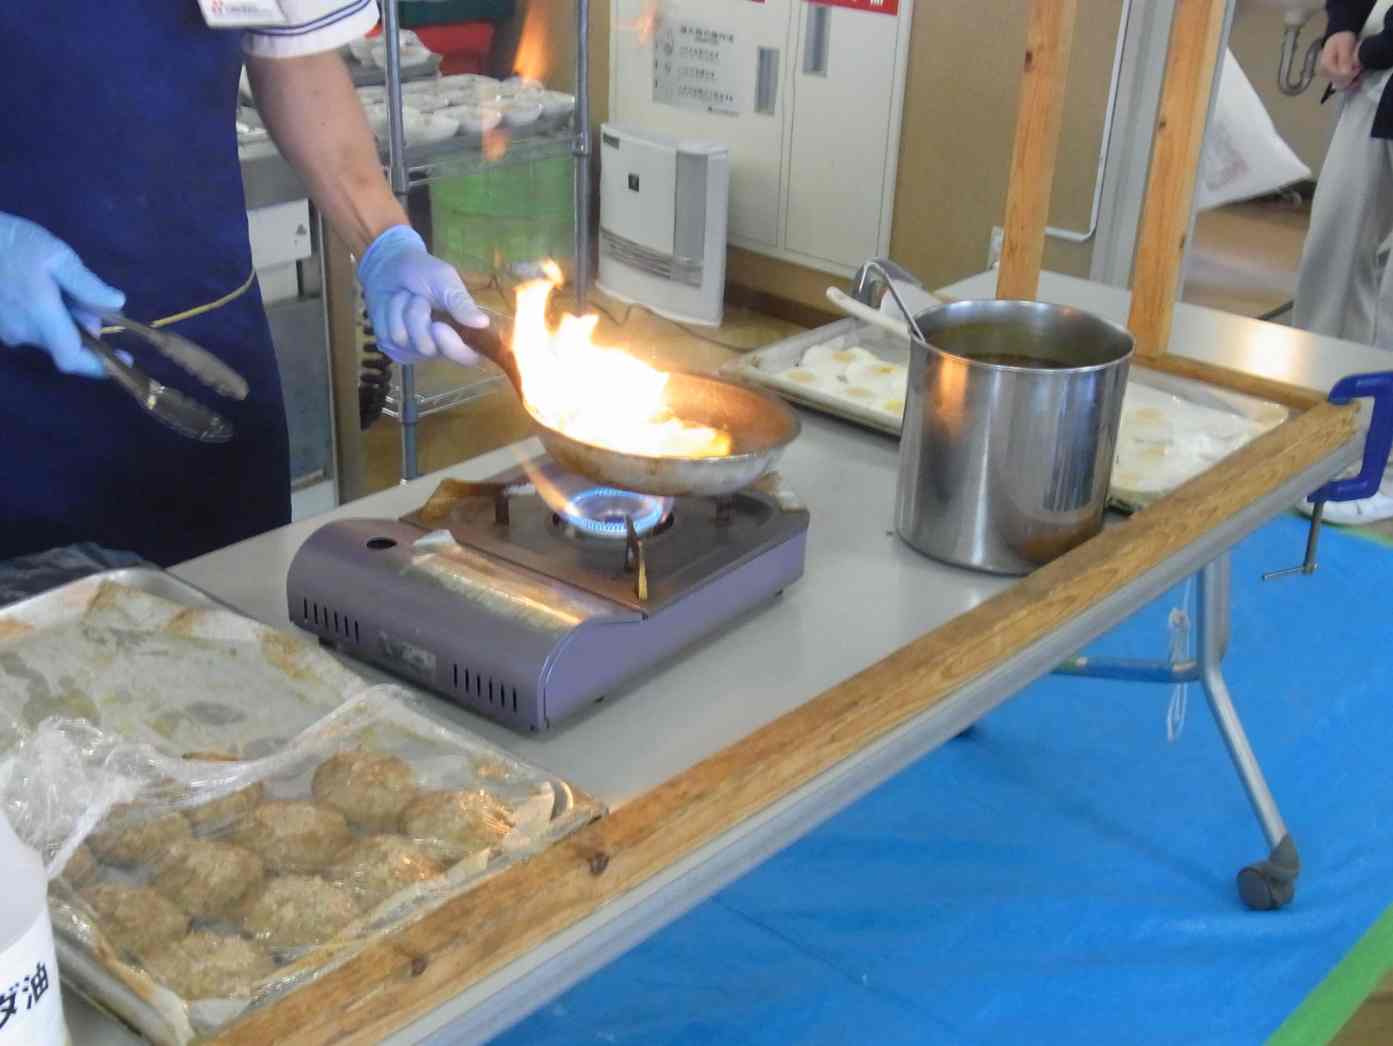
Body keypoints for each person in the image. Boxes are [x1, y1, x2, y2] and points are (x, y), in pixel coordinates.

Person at [0, 2, 488, 566]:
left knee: (237, 595)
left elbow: (296, 55)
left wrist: (384, 240)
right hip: (16, 402)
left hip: (213, 336)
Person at [1291, 0, 1393, 523]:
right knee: (1332, 258)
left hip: (1379, 54)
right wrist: (1343, 26)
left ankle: (1381, 467)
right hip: (1376, 71)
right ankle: (1318, 430)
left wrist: (1371, 49)